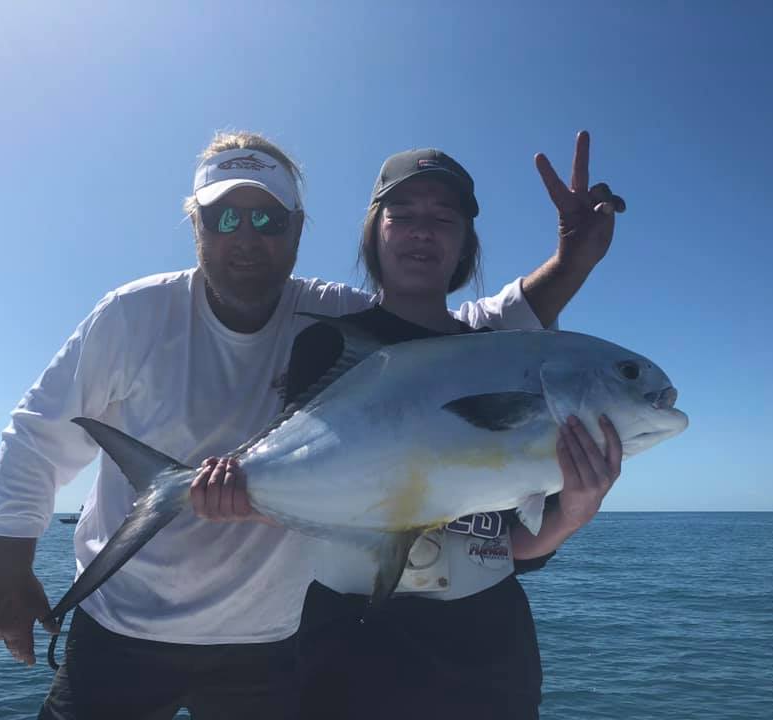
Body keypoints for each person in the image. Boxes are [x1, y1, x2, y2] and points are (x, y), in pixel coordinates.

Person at [0, 130, 608, 720]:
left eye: (268, 219)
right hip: (122, 623)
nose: (246, 237)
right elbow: (40, 431)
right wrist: (11, 569)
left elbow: (472, 337)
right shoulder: (134, 314)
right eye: (224, 217)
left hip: (269, 640)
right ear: (195, 225)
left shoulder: (333, 314)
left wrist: (573, 262)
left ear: (299, 229)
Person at [191, 140, 625, 719]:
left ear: (466, 245)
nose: (423, 231)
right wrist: (239, 496)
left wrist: (573, 513)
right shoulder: (329, 345)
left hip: (488, 648)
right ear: (374, 233)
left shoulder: (498, 358)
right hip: (350, 642)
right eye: (403, 216)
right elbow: (316, 486)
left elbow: (512, 545)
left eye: (444, 219)